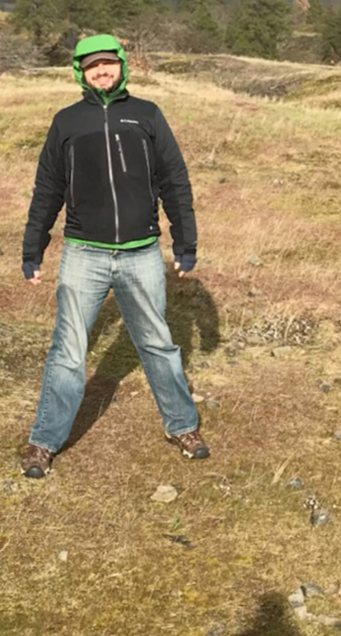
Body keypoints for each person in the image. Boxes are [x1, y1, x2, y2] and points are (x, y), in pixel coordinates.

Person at [18, 33, 206, 478]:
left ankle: (182, 426)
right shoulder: (67, 123)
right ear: (80, 72)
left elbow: (174, 182)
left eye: (108, 63)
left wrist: (185, 242)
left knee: (158, 343)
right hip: (84, 253)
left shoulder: (146, 116)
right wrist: (33, 249)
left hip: (141, 253)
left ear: (122, 65)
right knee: (68, 351)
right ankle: (44, 443)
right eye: (91, 66)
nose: (101, 72)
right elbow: (47, 190)